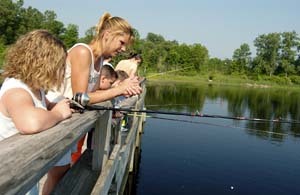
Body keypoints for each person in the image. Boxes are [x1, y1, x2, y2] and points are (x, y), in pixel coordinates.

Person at [44, 12, 142, 194]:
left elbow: (94, 94)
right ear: (107, 35)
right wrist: (119, 90)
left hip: (67, 122)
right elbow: (80, 98)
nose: (123, 49)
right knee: (56, 176)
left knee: (61, 174)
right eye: (121, 43)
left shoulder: (101, 60)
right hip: (51, 121)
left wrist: (120, 90)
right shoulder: (83, 52)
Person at [0, 30, 72, 195]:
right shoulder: (16, 90)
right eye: (60, 66)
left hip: (25, 168)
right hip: (10, 175)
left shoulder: (35, 88)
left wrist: (58, 106)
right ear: (44, 63)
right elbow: (30, 123)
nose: (64, 71)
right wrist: (59, 114)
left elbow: (45, 106)